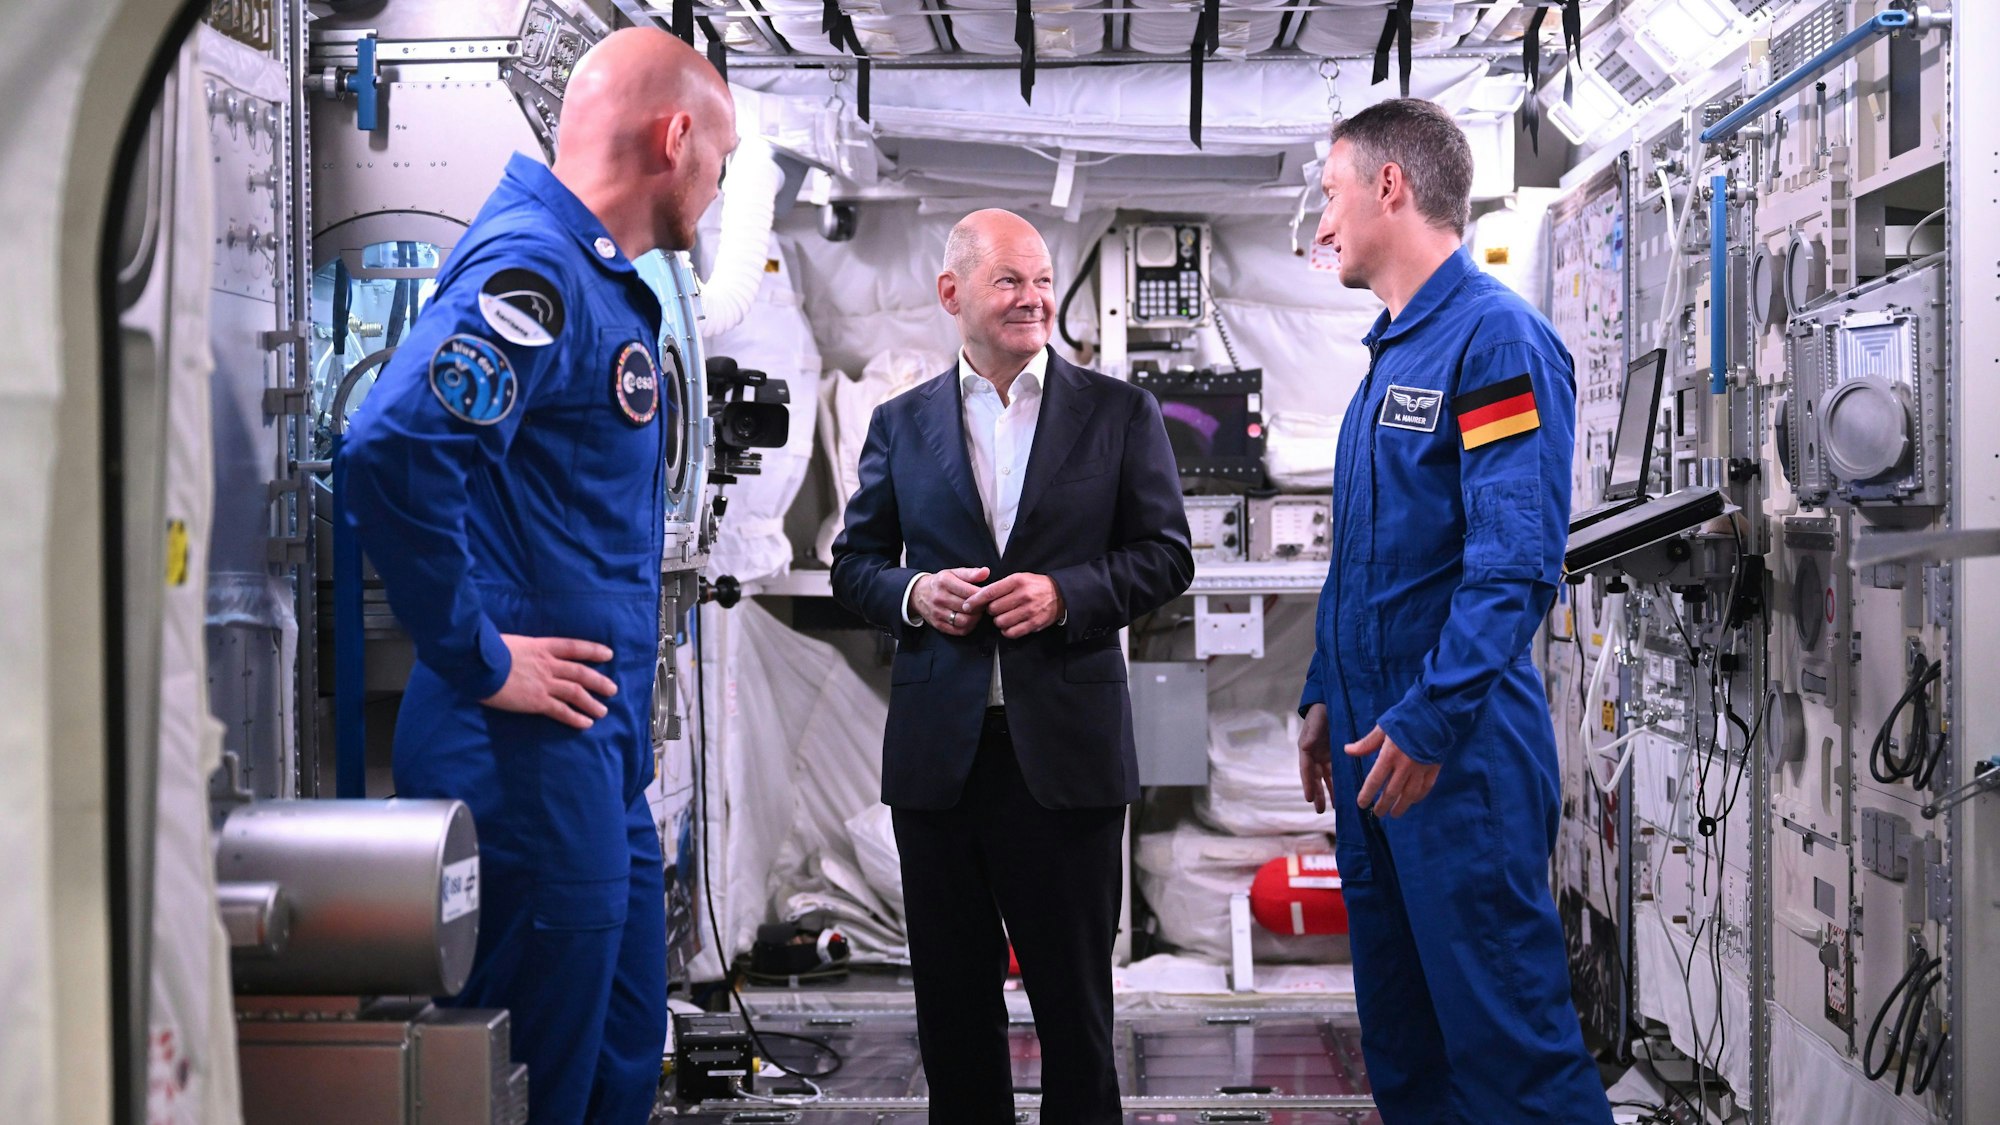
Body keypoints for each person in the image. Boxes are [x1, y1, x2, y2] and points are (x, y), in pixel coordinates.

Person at [339, 28, 736, 1124]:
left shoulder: (594, 279)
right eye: (725, 159)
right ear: (675, 135)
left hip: (588, 753)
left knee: (613, 1053)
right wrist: (478, 657)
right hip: (519, 753)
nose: (718, 185)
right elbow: (391, 446)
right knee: (534, 1076)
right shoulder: (537, 269)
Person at [831, 209, 1193, 1125]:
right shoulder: (900, 424)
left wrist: (1066, 594)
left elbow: (1167, 556)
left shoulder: (1119, 412)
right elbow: (854, 563)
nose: (1034, 297)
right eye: (1009, 281)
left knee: (1076, 1010)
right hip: (939, 758)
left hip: (1064, 757)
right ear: (952, 294)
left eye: (1041, 279)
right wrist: (916, 594)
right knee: (952, 1010)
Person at [1293, 99, 1613, 1124]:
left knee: (1507, 1047)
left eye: (1332, 193)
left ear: (1389, 186)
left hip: (1453, 760)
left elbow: (1510, 564)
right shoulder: (1392, 355)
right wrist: (1318, 697)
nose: (1321, 225)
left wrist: (1429, 719)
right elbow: (1369, 567)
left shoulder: (1492, 344)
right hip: (1374, 751)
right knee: (1407, 1047)